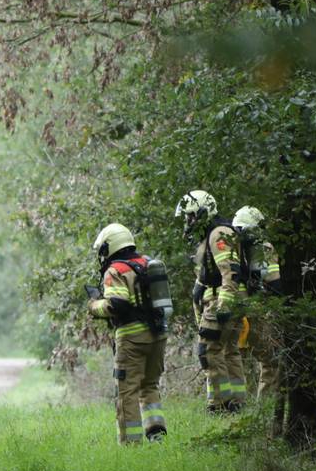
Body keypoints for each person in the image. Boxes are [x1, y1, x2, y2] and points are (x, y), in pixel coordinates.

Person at [86, 223, 168, 444]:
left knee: (127, 391)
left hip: (132, 339)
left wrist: (94, 305)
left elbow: (117, 304)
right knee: (149, 385)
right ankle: (156, 434)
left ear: (109, 247)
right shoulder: (147, 263)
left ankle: (131, 444)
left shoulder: (116, 270)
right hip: (158, 335)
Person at [176, 190, 246, 412]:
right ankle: (237, 403)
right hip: (229, 299)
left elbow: (230, 272)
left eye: (190, 216)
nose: (188, 221)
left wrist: (224, 304)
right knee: (229, 351)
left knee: (208, 351)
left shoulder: (218, 234)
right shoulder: (211, 235)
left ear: (203, 213)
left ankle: (222, 404)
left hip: (222, 300)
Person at [231, 206, 284, 399]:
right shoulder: (265, 248)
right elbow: (274, 283)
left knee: (234, 357)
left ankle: (236, 404)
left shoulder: (227, 246)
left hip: (231, 308)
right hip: (256, 309)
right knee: (270, 359)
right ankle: (264, 403)